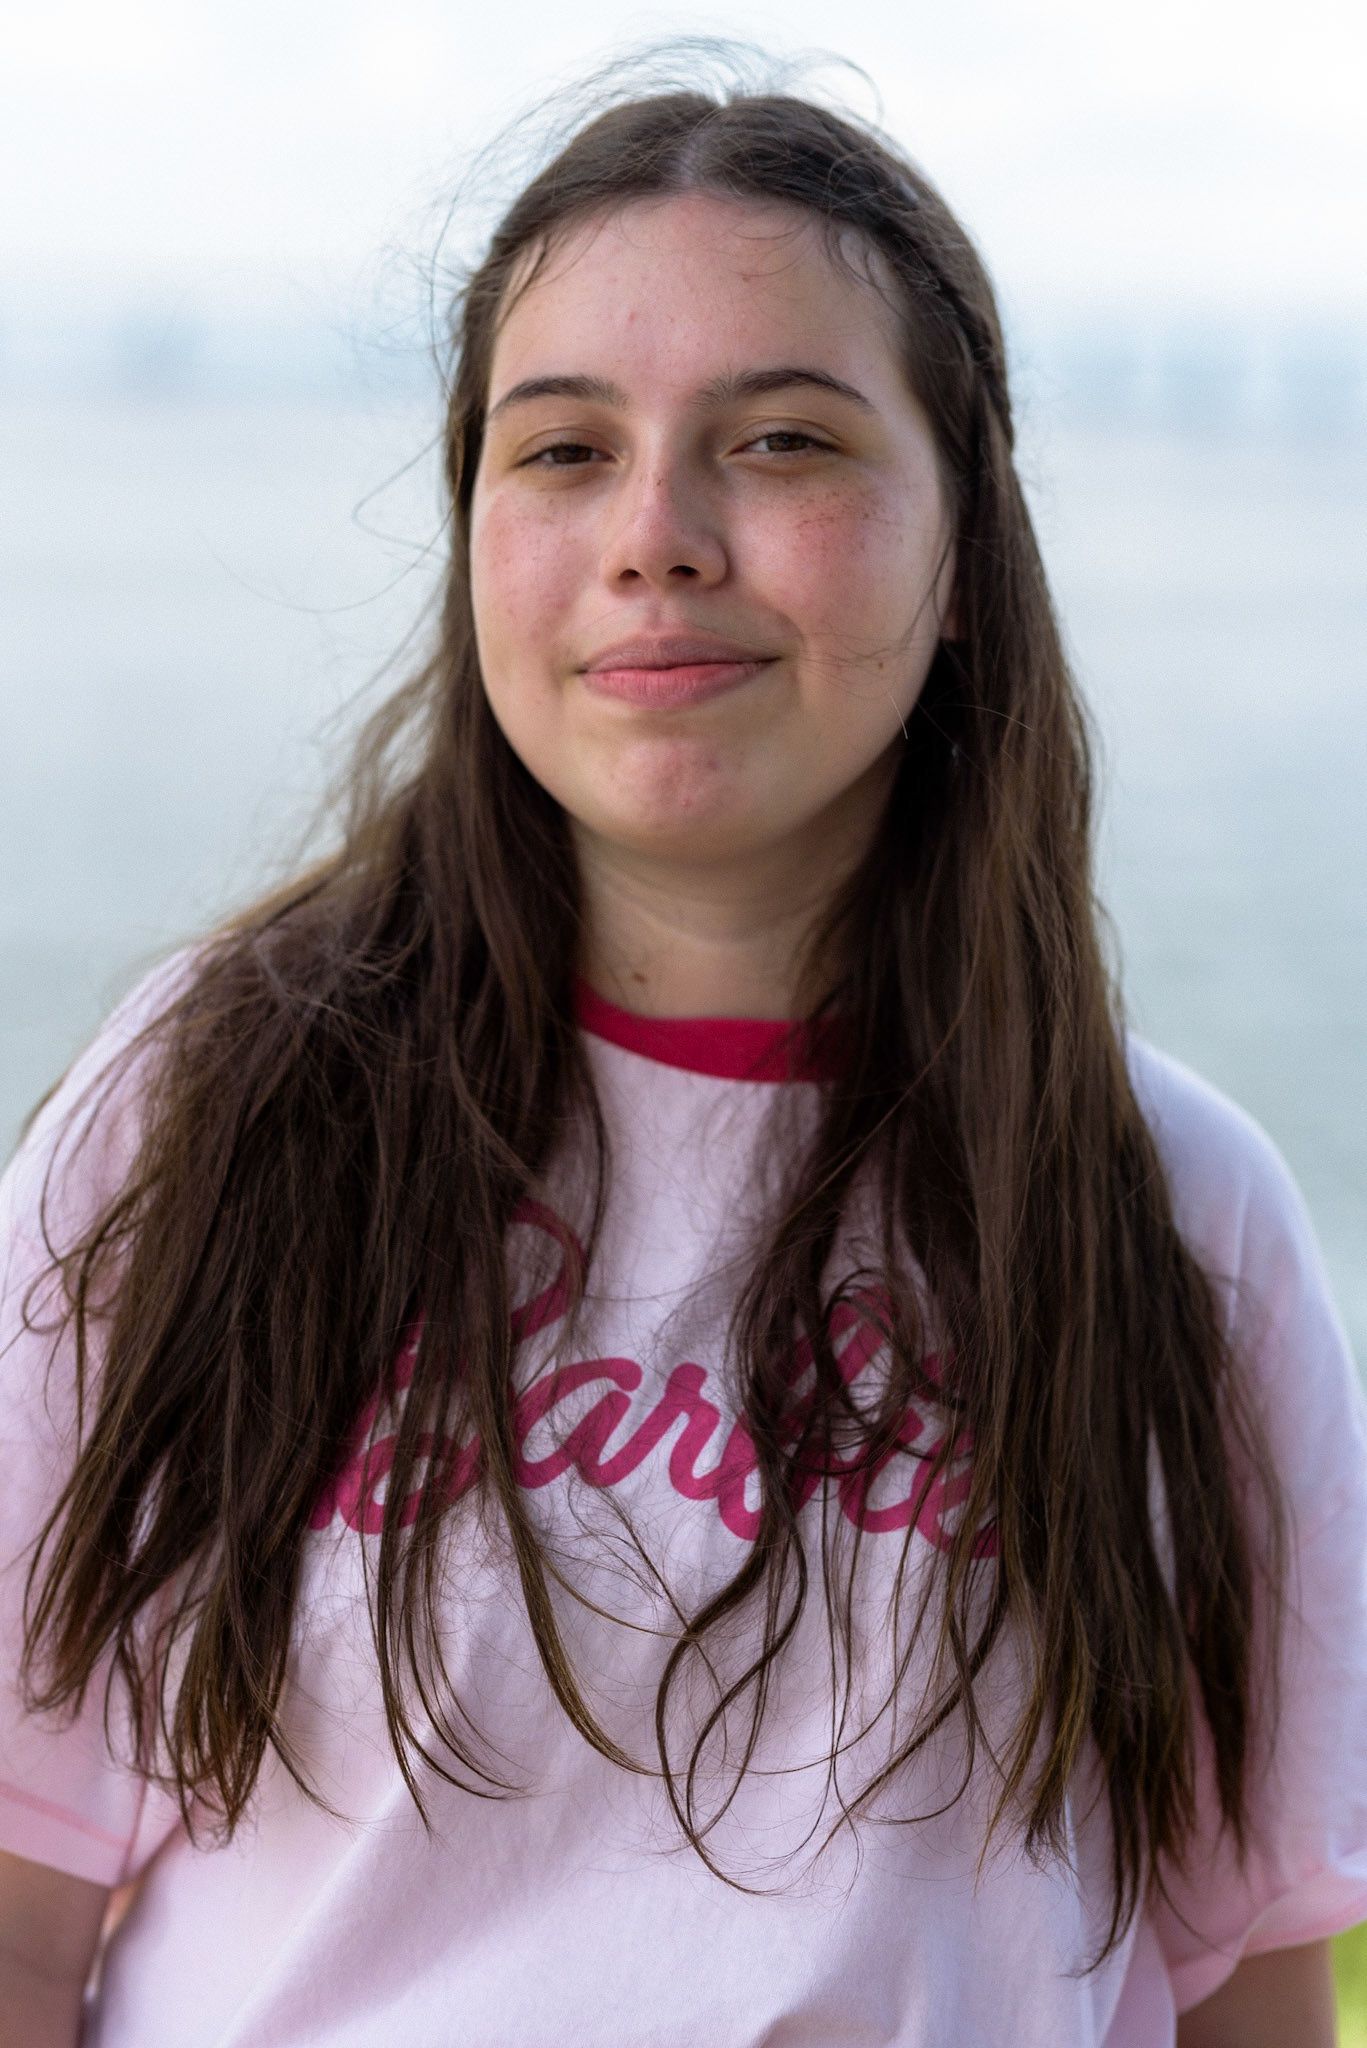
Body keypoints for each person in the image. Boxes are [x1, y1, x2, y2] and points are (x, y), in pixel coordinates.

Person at [1, 77, 1365, 2048]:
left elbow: (1247, 1974)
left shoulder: (1170, 1213)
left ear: (967, 547)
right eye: (564, 449)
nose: (656, 537)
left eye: (783, 439)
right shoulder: (218, 1105)